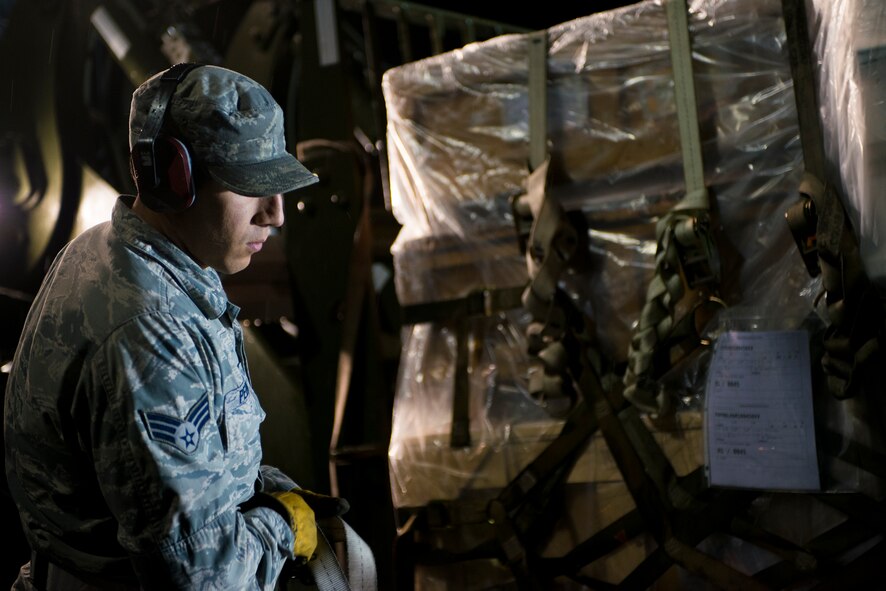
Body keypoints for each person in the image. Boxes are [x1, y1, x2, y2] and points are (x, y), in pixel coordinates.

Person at [4, 63, 346, 590]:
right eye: (250, 186)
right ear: (174, 177)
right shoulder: (148, 333)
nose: (276, 214)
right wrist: (280, 527)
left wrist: (264, 491)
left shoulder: (108, 248)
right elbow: (205, 579)